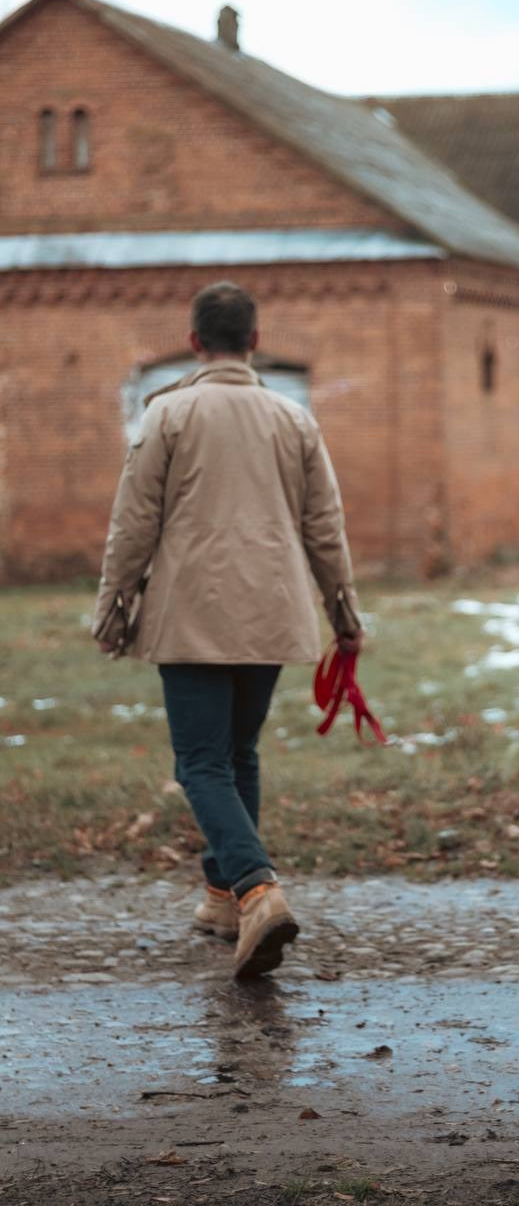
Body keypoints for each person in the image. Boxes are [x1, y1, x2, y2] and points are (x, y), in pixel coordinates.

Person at [92, 281, 362, 979]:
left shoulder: (167, 414)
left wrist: (113, 608)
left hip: (191, 613)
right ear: (254, 341)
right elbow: (324, 527)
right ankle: (221, 900)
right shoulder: (293, 419)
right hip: (272, 610)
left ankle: (257, 889)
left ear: (194, 342)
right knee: (237, 754)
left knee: (200, 764)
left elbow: (134, 523)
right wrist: (343, 614)